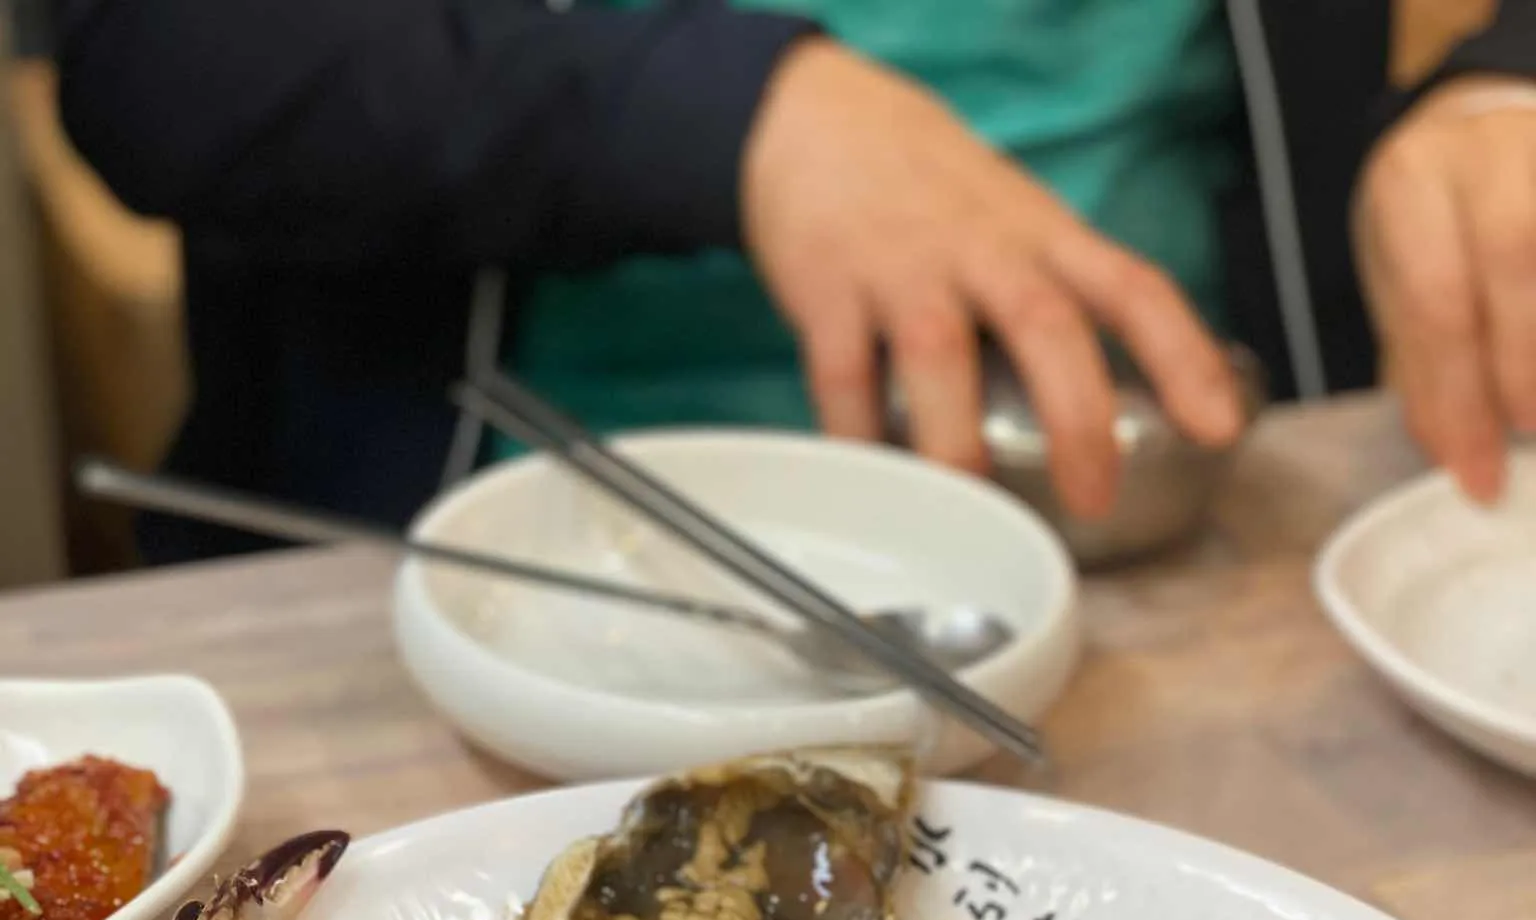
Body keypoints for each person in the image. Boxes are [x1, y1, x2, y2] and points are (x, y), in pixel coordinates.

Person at [33, 0, 1536, 557]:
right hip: (504, 557)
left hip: (1203, 518)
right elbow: (150, 60)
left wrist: (1496, 88)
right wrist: (724, 114)